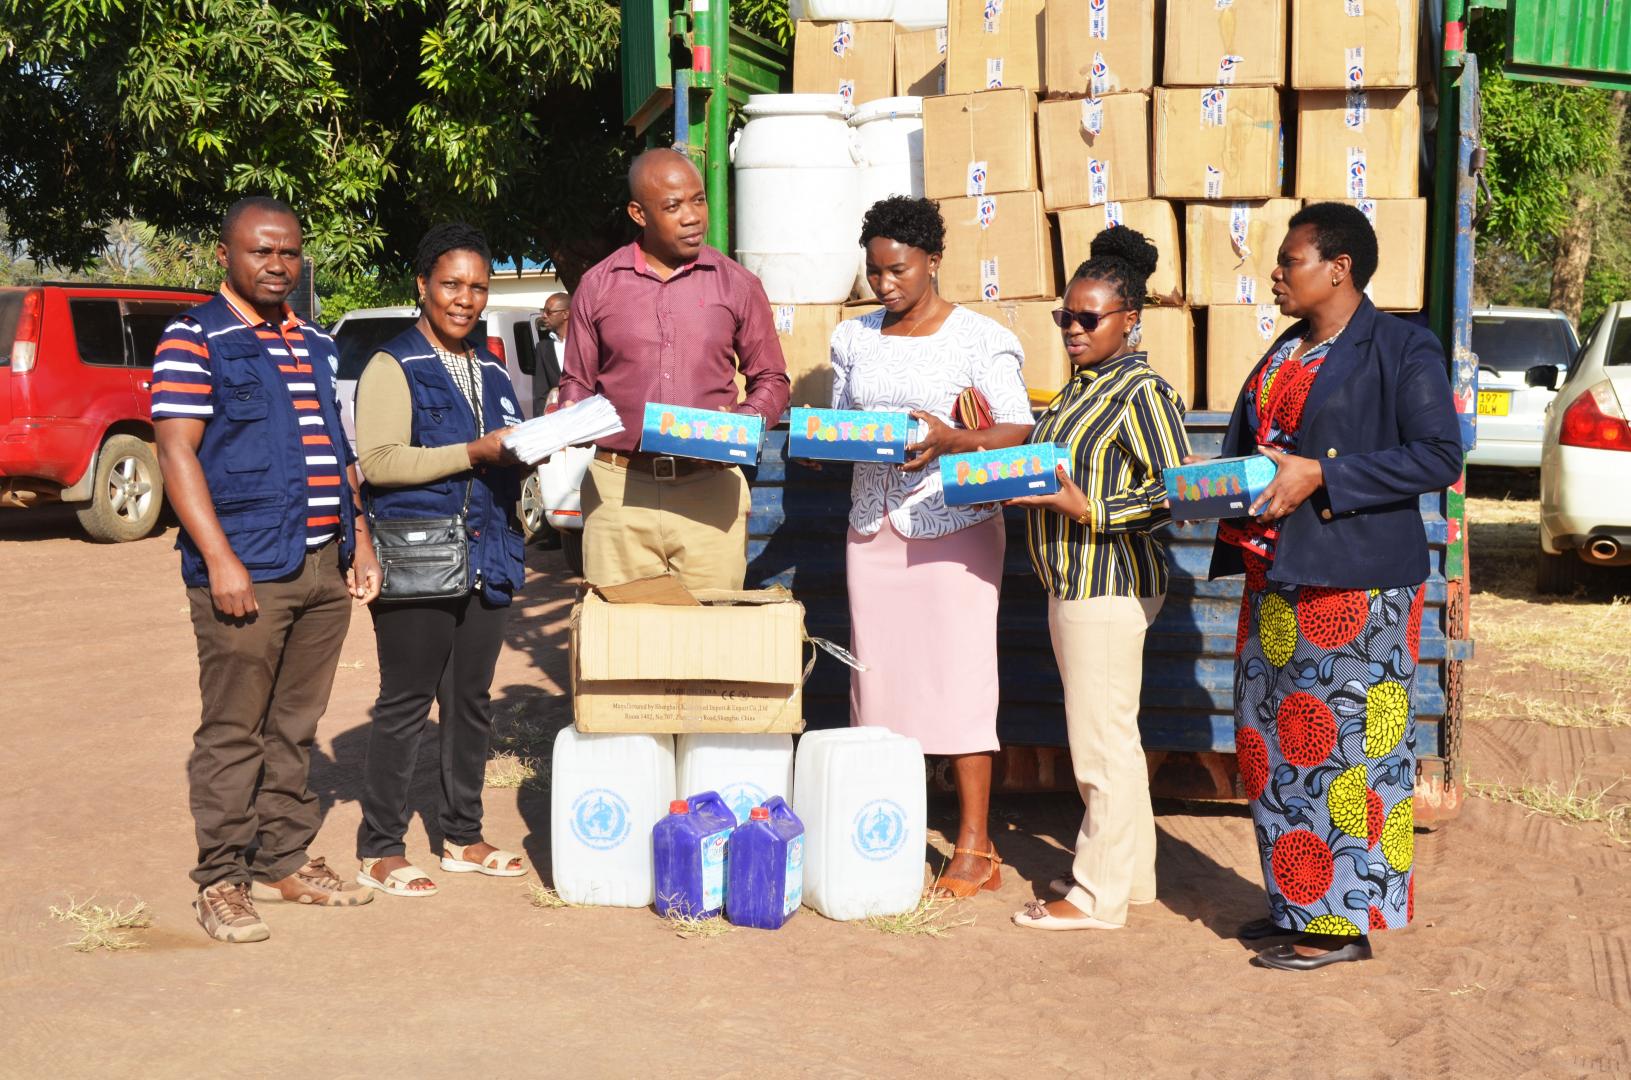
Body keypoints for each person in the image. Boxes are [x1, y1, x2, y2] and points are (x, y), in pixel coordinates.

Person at [1211, 202, 1461, 970]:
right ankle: (1296, 899)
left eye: (1290, 261)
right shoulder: (1288, 351)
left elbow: (1437, 457)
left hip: (1355, 586)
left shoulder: (1400, 349)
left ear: (1338, 267)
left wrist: (1324, 474)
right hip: (1279, 575)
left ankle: (1340, 923)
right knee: (1271, 743)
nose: (1276, 274)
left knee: (1349, 751)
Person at [153, 196, 381, 943]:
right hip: (247, 567)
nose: (277, 265)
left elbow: (340, 451)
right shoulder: (194, 340)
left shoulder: (315, 342)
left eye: (289, 253)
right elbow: (176, 451)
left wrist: (361, 541)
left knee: (296, 726)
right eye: (260, 251)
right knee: (233, 730)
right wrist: (220, 559)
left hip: (322, 565)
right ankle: (221, 879)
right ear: (226, 255)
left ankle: (283, 858)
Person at [831, 196, 1034, 898]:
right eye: (874, 273)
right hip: (872, 527)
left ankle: (976, 846)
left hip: (954, 528)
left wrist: (951, 440)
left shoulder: (977, 337)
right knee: (878, 685)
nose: (884, 285)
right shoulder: (852, 338)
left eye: (897, 270)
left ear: (933, 262)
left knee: (959, 682)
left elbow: (1015, 428)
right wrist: (820, 444)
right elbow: (839, 420)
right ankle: (884, 829)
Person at [1007, 228, 1191, 931]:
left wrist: (1090, 507)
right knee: (1114, 738)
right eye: (1065, 318)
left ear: (1129, 321)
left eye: (1088, 319)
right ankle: (1131, 877)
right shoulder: (1085, 387)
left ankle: (1094, 898)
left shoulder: (1141, 390)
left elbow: (1177, 491)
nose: (1073, 330)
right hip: (1074, 582)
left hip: (1106, 585)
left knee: (1098, 747)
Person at [351, 223, 531, 897]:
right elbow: (381, 462)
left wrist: (528, 448)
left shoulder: (488, 366)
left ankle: (461, 834)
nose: (464, 298)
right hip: (419, 557)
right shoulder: (392, 364)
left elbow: (500, 445)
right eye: (451, 284)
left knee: (470, 702)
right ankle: (379, 847)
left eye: (477, 287)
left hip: (488, 553)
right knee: (404, 702)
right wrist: (475, 453)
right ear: (422, 285)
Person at [558, 147, 790, 590]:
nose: (692, 217)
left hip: (710, 490)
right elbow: (577, 382)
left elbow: (772, 379)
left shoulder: (737, 284)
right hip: (619, 490)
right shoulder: (598, 285)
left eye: (698, 200)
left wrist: (744, 423)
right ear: (638, 213)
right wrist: (567, 416)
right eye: (673, 206)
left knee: (709, 643)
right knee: (621, 646)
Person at [532, 290, 570, 419]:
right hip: (558, 421)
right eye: (543, 311)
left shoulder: (584, 344)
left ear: (566, 314)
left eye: (549, 312)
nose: (544, 315)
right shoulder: (543, 348)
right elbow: (540, 393)